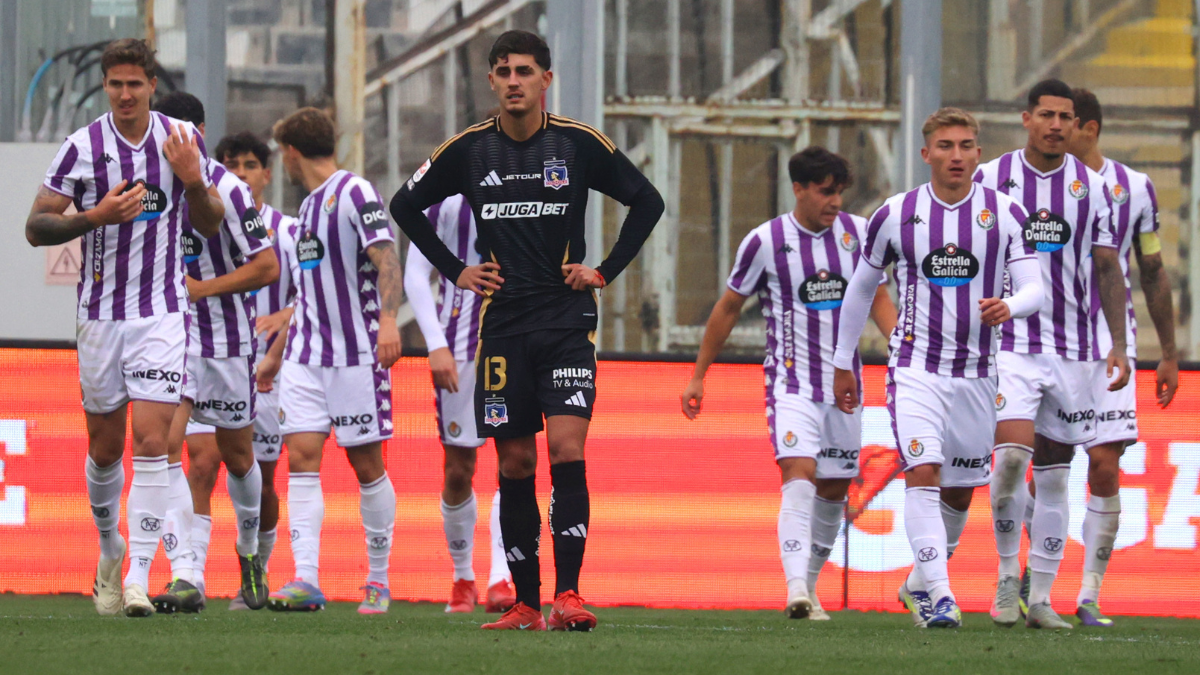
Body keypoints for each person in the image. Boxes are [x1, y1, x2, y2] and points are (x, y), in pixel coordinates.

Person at [390, 30, 664, 630]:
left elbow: (648, 201)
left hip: (567, 321)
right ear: (491, 81)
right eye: (503, 71)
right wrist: (455, 270)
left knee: (567, 450)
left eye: (525, 70)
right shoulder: (466, 152)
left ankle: (569, 596)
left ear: (546, 80)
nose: (514, 80)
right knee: (514, 465)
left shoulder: (578, 145)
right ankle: (525, 603)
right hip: (504, 327)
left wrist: (604, 272)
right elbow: (403, 206)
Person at [25, 38, 223, 617]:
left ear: (152, 85)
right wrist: (93, 217)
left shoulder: (181, 143)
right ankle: (110, 550)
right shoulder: (81, 147)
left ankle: (137, 576)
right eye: (116, 84)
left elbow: (209, 225)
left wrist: (192, 181)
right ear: (106, 86)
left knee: (153, 444)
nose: (126, 93)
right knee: (105, 448)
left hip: (161, 313)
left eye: (135, 83)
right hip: (99, 318)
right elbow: (36, 227)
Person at [832, 107, 1044, 629]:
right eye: (946, 146)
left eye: (966, 145)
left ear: (978, 153)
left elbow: (1035, 288)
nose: (957, 155)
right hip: (915, 369)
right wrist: (843, 362)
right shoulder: (896, 214)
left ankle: (915, 586)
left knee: (957, 490)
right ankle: (943, 598)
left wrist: (1009, 306)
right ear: (926, 154)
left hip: (977, 374)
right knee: (922, 472)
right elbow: (862, 288)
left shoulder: (1008, 214)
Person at [681, 147, 897, 620]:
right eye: (825, 191)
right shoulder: (765, 241)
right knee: (798, 476)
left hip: (846, 388)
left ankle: (810, 587)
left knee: (835, 489)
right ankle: (795, 586)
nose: (835, 201)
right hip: (792, 385)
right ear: (798, 189)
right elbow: (729, 308)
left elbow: (879, 296)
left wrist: (901, 346)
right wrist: (699, 375)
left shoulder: (860, 236)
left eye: (840, 191)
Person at [974, 80, 1131, 630]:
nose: (1057, 125)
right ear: (1026, 119)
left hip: (1075, 350)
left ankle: (1040, 598)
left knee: (1056, 476)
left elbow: (1109, 267)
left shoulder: (1094, 188)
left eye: (1065, 116)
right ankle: (1004, 576)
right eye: (1046, 115)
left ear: (1075, 124)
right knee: (1013, 458)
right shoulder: (990, 178)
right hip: (1010, 344)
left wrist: (1118, 343)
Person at [145, 93, 280, 614]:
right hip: (171, 341)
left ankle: (249, 557)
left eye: (184, 131)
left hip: (226, 343)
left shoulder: (230, 189)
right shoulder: (151, 185)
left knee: (239, 456)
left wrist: (203, 289)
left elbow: (266, 268)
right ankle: (188, 573)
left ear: (200, 132)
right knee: (164, 448)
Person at [1048, 88, 1177, 626]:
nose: (1056, 131)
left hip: (1108, 343)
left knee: (1105, 465)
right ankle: (1034, 582)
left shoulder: (1134, 189)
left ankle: (1088, 594)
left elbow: (1149, 267)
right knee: (1041, 470)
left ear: (1090, 128)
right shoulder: (1028, 185)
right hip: (1044, 344)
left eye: (1068, 122)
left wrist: (1168, 352)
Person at [266, 107, 403, 615]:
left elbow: (387, 258)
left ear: (290, 153)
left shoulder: (355, 192)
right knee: (301, 458)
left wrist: (388, 321)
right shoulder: (306, 211)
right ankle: (305, 578)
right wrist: (276, 356)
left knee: (366, 465)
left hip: (354, 354)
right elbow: (307, 293)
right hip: (306, 356)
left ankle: (379, 579)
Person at [405, 193, 515, 614]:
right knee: (459, 469)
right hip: (461, 349)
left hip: (515, 343)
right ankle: (462, 577)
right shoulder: (447, 199)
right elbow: (417, 271)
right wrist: (435, 343)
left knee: (514, 461)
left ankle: (500, 578)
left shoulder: (539, 185)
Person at [215, 131, 302, 610]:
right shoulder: (204, 228)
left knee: (262, 476)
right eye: (231, 164)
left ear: (267, 175)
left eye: (250, 165)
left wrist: (284, 320)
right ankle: (183, 571)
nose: (241, 173)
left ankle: (257, 573)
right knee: (202, 465)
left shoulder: (287, 232)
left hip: (269, 374)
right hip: (213, 363)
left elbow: (315, 291)